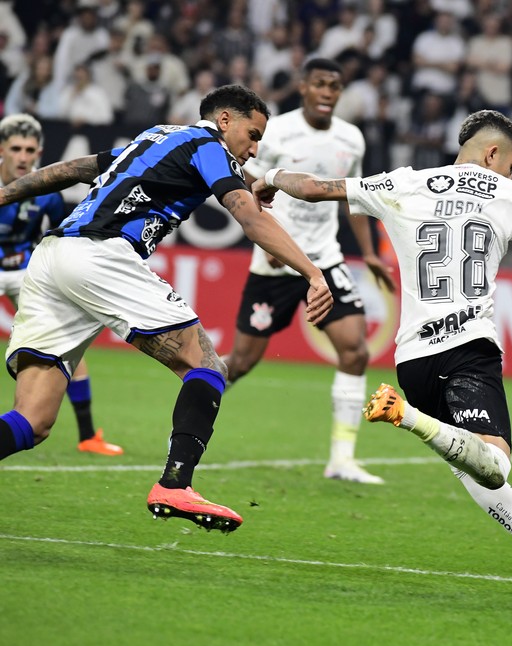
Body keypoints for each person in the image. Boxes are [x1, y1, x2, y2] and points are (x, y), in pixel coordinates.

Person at [252, 109, 512, 594]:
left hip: (413, 359)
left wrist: (268, 177)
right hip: (469, 350)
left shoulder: (405, 182)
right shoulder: (506, 197)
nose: (511, 174)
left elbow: (314, 188)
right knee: (494, 465)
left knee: (472, 464)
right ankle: (403, 415)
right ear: (493, 153)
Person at [0, 85, 333, 534]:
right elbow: (249, 219)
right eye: (251, 136)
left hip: (51, 258)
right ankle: (176, 483)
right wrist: (313, 273)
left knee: (33, 420)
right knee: (209, 365)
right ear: (225, 121)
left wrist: (3, 195)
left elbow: (72, 169)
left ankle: (175, 482)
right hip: (101, 256)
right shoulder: (207, 144)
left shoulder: (155, 136)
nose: (253, 149)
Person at [224, 58, 396, 485]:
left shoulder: (350, 138)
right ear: (303, 87)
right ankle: (194, 399)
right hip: (274, 261)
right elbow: (247, 180)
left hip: (326, 257)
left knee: (355, 350)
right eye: (319, 84)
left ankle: (342, 458)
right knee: (242, 362)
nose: (327, 92)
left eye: (334, 86)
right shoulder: (276, 130)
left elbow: (353, 197)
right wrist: (271, 240)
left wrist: (370, 252)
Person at [0, 113, 122, 456]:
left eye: (30, 150)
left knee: (65, 342)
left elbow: (58, 238)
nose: (23, 156)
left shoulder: (47, 194)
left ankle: (87, 436)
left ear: (39, 152)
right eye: (16, 149)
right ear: (2, 150)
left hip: (24, 269)